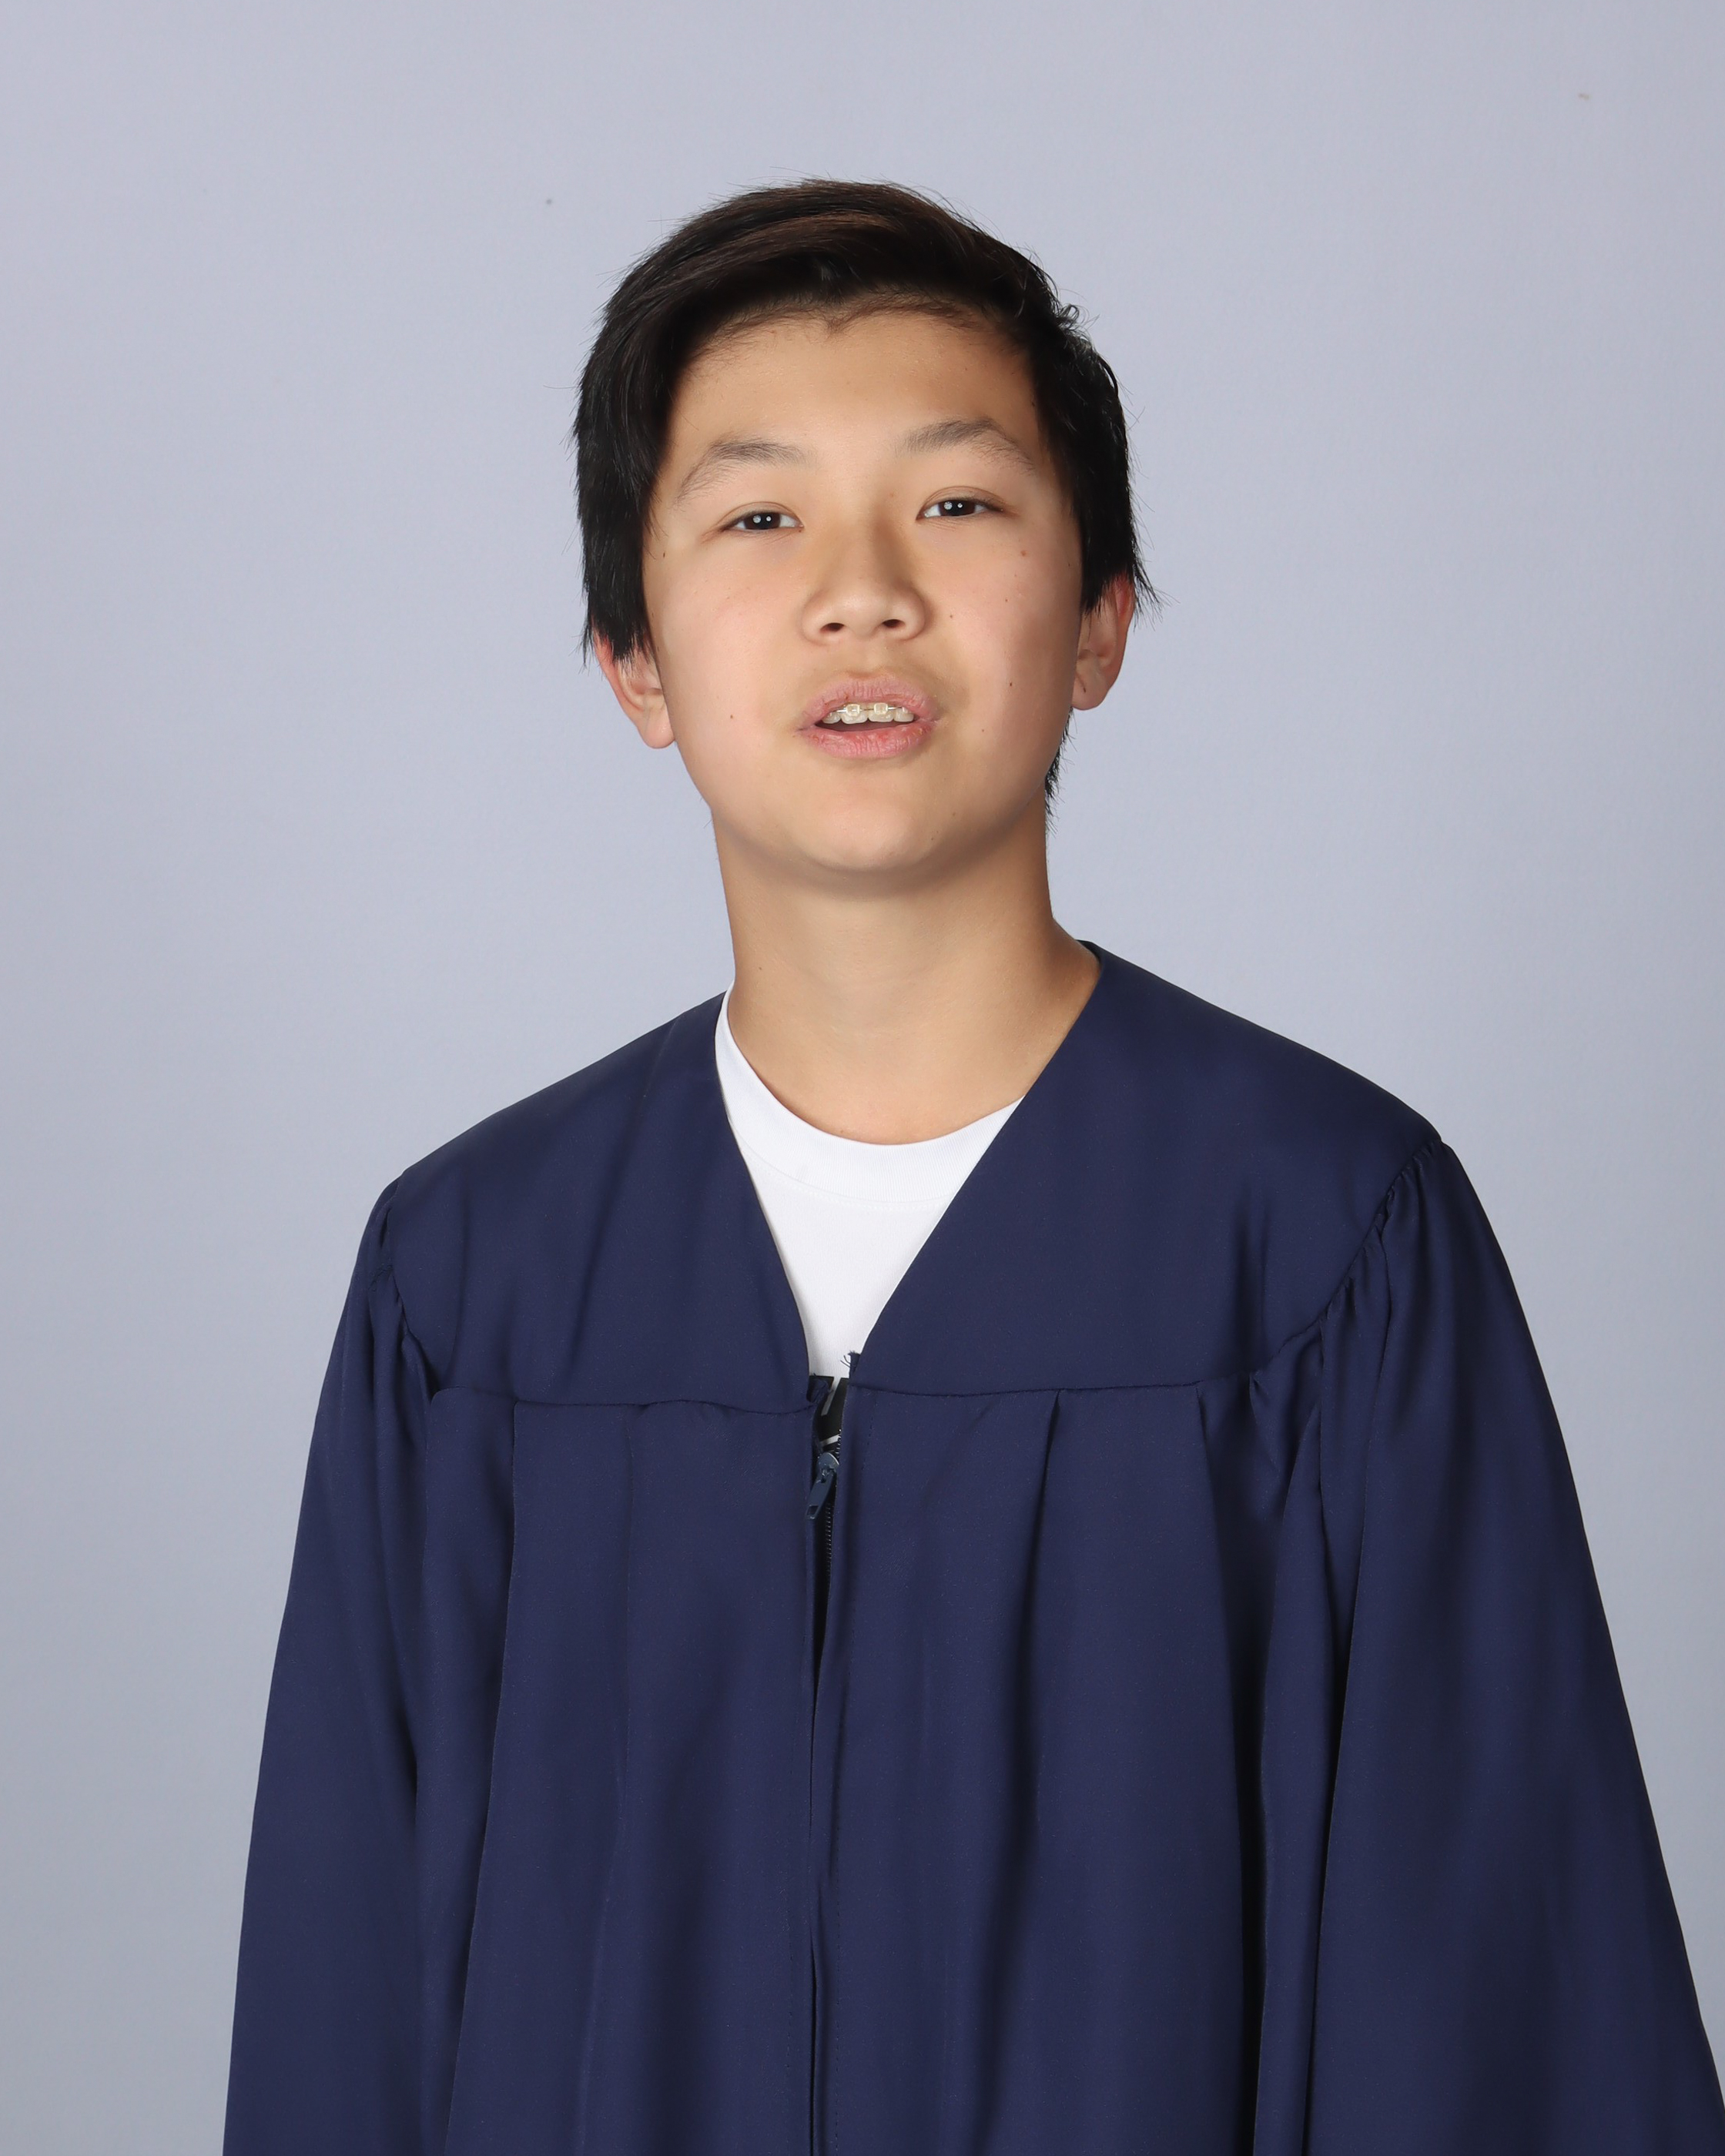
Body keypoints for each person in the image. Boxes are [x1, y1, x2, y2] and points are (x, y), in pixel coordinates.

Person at [222, 180, 1725, 2155]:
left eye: (955, 502)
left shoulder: (1319, 1244)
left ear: (1098, 621)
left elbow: (1490, 2004)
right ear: (632, 659)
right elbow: (344, 2014)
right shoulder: (477, 1290)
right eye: (758, 517)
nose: (863, 590)